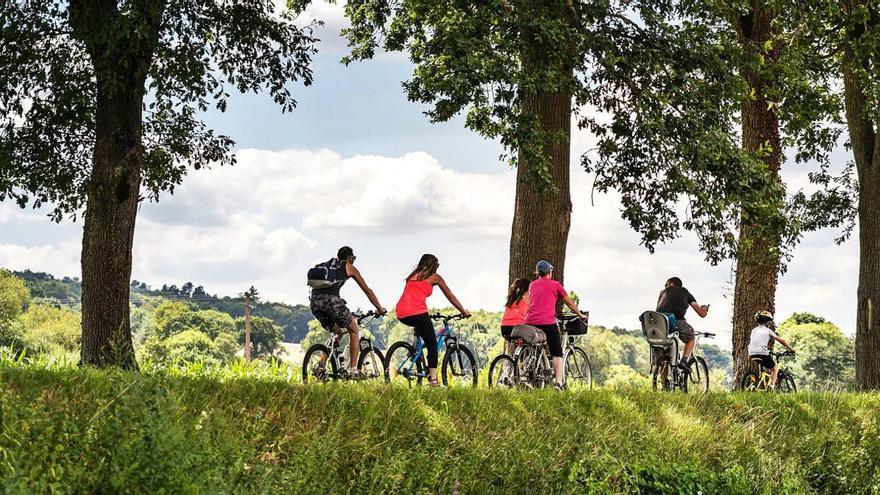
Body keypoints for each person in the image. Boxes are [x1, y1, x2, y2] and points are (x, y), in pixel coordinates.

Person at [309, 246, 386, 377]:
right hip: (332, 302)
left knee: (337, 332)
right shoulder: (348, 266)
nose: (354, 261)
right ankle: (353, 370)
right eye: (354, 258)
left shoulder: (324, 266)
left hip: (315, 303)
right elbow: (367, 291)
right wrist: (379, 308)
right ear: (350, 258)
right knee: (354, 330)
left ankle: (321, 365)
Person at [395, 254, 471, 386]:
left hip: (401, 313)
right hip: (417, 312)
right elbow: (451, 297)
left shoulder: (412, 276)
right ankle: (433, 380)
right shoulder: (435, 277)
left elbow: (410, 297)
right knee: (432, 345)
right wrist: (463, 311)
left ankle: (415, 351)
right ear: (433, 265)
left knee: (421, 327)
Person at [523, 260, 587, 391]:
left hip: (530, 321)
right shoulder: (556, 285)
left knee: (536, 344)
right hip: (547, 322)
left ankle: (534, 369)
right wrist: (580, 314)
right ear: (549, 272)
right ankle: (558, 383)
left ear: (538, 273)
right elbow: (569, 303)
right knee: (557, 352)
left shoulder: (532, 285)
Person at [656, 276, 709, 371]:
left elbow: (658, 309)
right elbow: (701, 314)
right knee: (691, 337)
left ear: (672, 284)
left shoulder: (662, 293)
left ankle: (664, 382)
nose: (665, 287)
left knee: (666, 351)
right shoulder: (685, 292)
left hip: (660, 322)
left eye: (666, 284)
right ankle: (684, 361)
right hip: (677, 321)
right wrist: (704, 310)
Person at [748, 310, 795, 389]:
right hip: (762, 353)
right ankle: (771, 387)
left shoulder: (754, 330)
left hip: (752, 353)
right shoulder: (767, 330)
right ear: (767, 321)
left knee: (764, 366)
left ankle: (757, 383)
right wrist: (791, 349)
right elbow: (781, 340)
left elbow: (757, 342)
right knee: (774, 369)